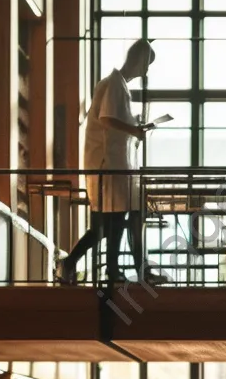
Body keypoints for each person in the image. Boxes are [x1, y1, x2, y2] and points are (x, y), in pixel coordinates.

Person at [60, 39, 162, 285]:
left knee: (105, 226)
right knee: (114, 220)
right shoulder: (114, 85)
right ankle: (112, 270)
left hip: (114, 167)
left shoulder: (117, 85)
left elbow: (112, 119)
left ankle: (77, 264)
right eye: (146, 65)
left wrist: (133, 125)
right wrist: (135, 130)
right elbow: (107, 119)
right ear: (137, 61)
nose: (145, 72)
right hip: (108, 166)